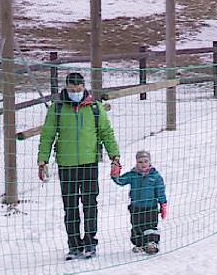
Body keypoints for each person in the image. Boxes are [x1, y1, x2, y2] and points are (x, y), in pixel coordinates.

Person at [37, 71, 120, 260]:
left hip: (89, 163)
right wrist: (43, 160)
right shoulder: (57, 109)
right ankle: (74, 245)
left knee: (90, 204)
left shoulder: (94, 108)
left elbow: (107, 133)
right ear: (66, 88)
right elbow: (47, 136)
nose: (76, 92)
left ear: (84, 87)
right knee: (70, 206)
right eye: (72, 89)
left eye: (79, 89)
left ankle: (90, 242)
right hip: (66, 165)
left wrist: (115, 156)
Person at [112, 150, 167, 254]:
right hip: (136, 207)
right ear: (136, 162)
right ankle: (140, 244)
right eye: (140, 162)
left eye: (146, 161)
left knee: (150, 225)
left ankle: (152, 243)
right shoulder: (132, 175)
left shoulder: (155, 176)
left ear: (150, 162)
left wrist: (163, 204)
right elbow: (120, 181)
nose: (143, 164)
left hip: (151, 207)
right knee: (136, 226)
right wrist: (115, 174)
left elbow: (160, 192)